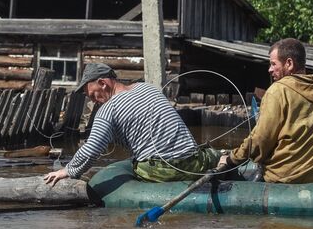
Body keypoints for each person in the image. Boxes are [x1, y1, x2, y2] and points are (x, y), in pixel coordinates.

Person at [44, 63, 220, 186]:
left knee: (137, 164)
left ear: (103, 83)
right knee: (215, 154)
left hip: (161, 171)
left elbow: (92, 149)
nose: (93, 101)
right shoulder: (147, 88)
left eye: (91, 94)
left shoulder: (107, 110)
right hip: (194, 163)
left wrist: (68, 171)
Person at [218, 38, 313, 183]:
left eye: (273, 64)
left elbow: (260, 141)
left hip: (289, 177)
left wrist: (231, 159)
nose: (269, 69)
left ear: (289, 63)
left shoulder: (278, 91)